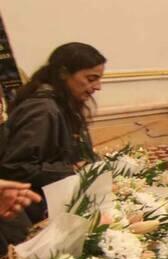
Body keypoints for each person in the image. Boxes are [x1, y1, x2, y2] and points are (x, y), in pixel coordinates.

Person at [0, 42, 105, 226]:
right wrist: (72, 170)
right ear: (64, 73)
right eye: (91, 79)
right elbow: (14, 167)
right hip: (32, 211)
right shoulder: (42, 109)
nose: (98, 87)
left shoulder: (61, 104)